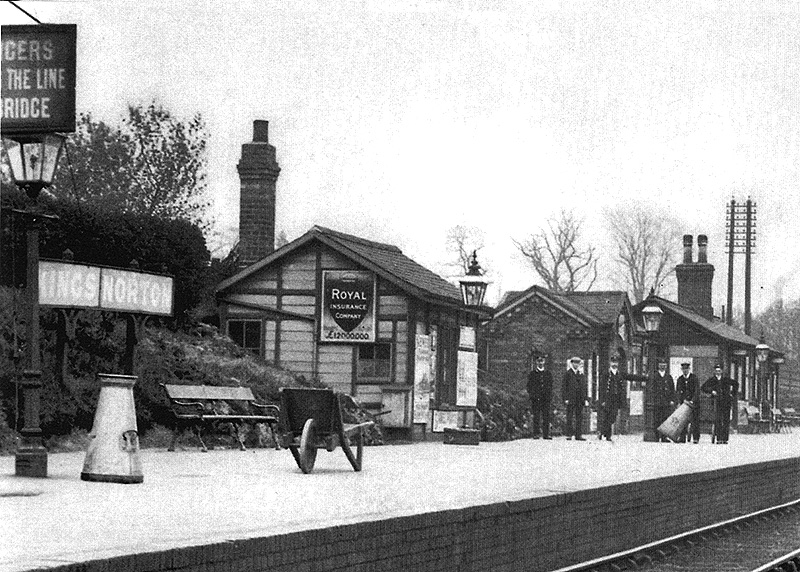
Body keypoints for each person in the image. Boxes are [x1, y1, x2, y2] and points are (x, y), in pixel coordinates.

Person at [701, 364, 738, 444]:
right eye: (716, 371)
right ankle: (719, 438)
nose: (718, 372)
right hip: (716, 402)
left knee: (725, 420)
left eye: (719, 371)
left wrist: (732, 394)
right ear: (714, 371)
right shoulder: (712, 380)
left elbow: (735, 384)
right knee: (717, 420)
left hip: (726, 402)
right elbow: (703, 387)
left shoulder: (726, 379)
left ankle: (725, 439)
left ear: (722, 371)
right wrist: (711, 391)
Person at [527, 353, 553, 440]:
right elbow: (529, 386)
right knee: (536, 416)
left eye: (542, 361)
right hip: (536, 399)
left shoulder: (548, 374)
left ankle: (546, 434)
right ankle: (536, 433)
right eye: (538, 361)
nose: (540, 363)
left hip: (546, 399)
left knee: (546, 416)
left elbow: (550, 386)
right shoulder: (532, 374)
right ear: (536, 362)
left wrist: (549, 396)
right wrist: (533, 396)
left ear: (544, 362)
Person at [598, 357, 624, 441]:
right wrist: (602, 400)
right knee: (607, 417)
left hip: (616, 399)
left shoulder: (619, 374)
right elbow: (602, 388)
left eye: (616, 362)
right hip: (608, 399)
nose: (614, 364)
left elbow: (628, 377)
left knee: (613, 417)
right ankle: (607, 435)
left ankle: (602, 432)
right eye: (613, 362)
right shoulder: (606, 374)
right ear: (610, 363)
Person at [562, 356, 587, 441]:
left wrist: (585, 398)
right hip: (571, 398)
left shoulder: (581, 374)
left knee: (579, 417)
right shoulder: (568, 374)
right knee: (570, 416)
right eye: (575, 363)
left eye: (578, 363)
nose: (576, 365)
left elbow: (584, 387)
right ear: (571, 363)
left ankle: (578, 435)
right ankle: (569, 434)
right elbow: (564, 387)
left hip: (579, 399)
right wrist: (565, 398)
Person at [675, 361, 700, 443]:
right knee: (682, 420)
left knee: (695, 420)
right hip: (683, 403)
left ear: (689, 369)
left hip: (693, 403)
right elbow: (678, 391)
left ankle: (696, 437)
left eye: (686, 369)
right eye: (683, 369)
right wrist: (679, 402)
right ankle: (682, 437)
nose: (685, 371)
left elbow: (697, 391)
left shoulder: (694, 378)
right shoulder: (680, 379)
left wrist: (693, 400)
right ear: (681, 370)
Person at [652, 359, 676, 442]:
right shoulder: (655, 376)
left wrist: (672, 400)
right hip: (657, 401)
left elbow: (672, 389)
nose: (662, 366)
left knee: (665, 419)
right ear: (658, 365)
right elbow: (652, 389)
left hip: (666, 402)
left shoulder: (668, 377)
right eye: (661, 364)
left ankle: (663, 437)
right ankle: (656, 436)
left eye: (664, 364)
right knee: (657, 419)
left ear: (666, 366)